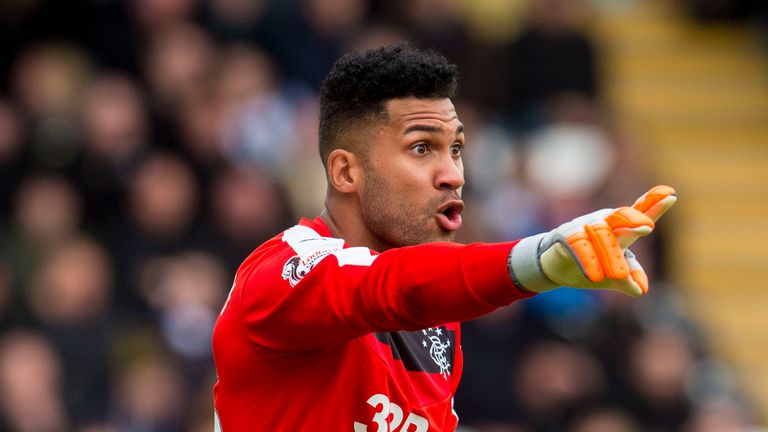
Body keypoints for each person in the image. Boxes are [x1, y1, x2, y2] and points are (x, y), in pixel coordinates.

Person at [212, 43, 677, 431]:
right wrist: (536, 261)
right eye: (421, 148)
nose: (452, 174)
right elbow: (389, 287)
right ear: (346, 171)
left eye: (455, 148)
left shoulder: (438, 319)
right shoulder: (280, 277)